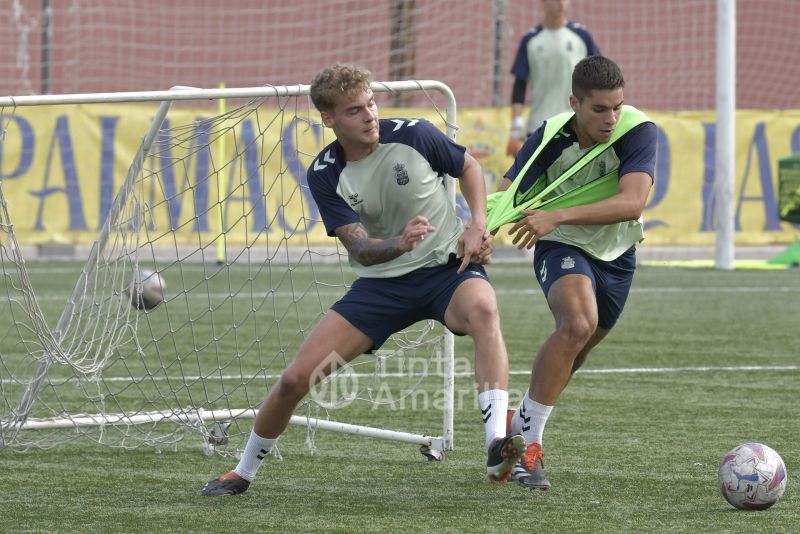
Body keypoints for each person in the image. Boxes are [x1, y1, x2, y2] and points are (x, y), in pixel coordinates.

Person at [202, 63, 525, 496]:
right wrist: (400, 243)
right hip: (381, 286)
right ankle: (242, 471)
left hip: (448, 271)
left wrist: (477, 224)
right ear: (330, 119)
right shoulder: (325, 173)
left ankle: (495, 446)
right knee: (296, 380)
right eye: (355, 110)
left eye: (371, 103)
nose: (370, 115)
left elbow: (467, 167)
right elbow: (360, 249)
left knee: (485, 308)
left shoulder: (416, 134)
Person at [497, 55, 657, 490]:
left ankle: (516, 423)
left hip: (618, 251)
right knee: (576, 325)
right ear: (575, 104)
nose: (611, 119)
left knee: (580, 349)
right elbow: (507, 196)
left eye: (617, 106)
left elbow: (633, 203)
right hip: (560, 244)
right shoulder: (548, 138)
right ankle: (531, 451)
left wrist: (558, 213)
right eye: (599, 109)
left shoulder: (637, 130)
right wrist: (480, 230)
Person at [507, 0, 600, 157]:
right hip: (539, 128)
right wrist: (516, 128)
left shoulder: (582, 36)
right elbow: (519, 85)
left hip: (576, 127)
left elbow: (599, 80)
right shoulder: (530, 40)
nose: (561, 4)